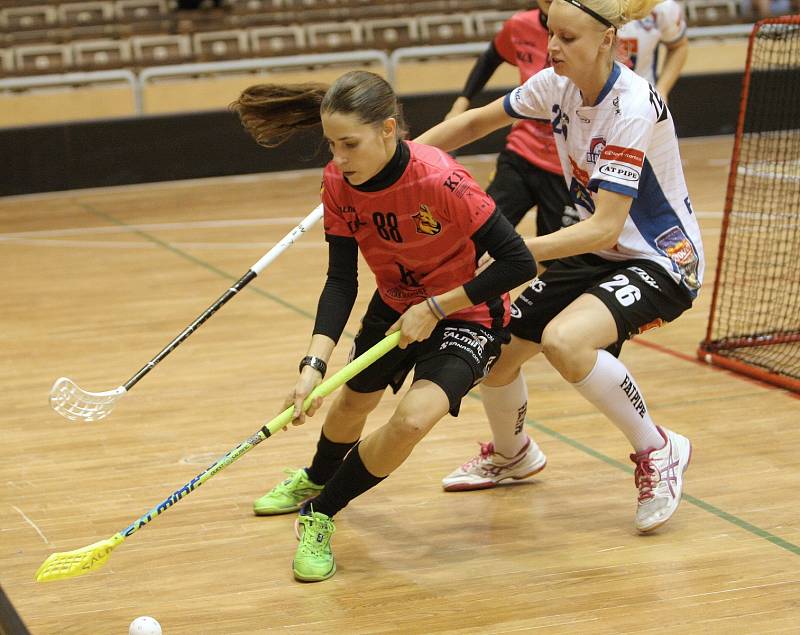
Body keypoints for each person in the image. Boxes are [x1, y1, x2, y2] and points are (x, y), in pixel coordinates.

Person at [231, 71, 537, 582]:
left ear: (388, 130)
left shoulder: (441, 180)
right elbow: (340, 281)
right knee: (352, 401)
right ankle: (315, 477)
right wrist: (312, 365)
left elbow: (517, 262)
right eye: (331, 144)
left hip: (466, 312)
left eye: (349, 144)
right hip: (394, 303)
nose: (339, 158)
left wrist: (437, 307)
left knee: (413, 420)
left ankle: (321, 513)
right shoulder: (336, 183)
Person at [416, 0, 704, 533]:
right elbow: (476, 122)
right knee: (497, 353)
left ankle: (659, 448)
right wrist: (399, 159)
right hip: (599, 251)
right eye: (552, 34)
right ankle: (513, 455)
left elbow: (604, 228)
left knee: (565, 342)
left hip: (661, 259)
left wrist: (513, 250)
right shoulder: (557, 85)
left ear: (606, 42)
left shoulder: (632, 107)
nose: (552, 49)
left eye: (568, 39)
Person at [445, 0, 579, 235]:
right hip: (521, 152)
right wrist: (462, 102)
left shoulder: (589, 32)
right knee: (480, 236)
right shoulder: (519, 25)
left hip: (568, 166)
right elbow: (490, 58)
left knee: (555, 260)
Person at [616, 0, 688, 101]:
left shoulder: (662, 6)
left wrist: (662, 89)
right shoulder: (588, 6)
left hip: (642, 101)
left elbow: (678, 46)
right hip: (591, 103)